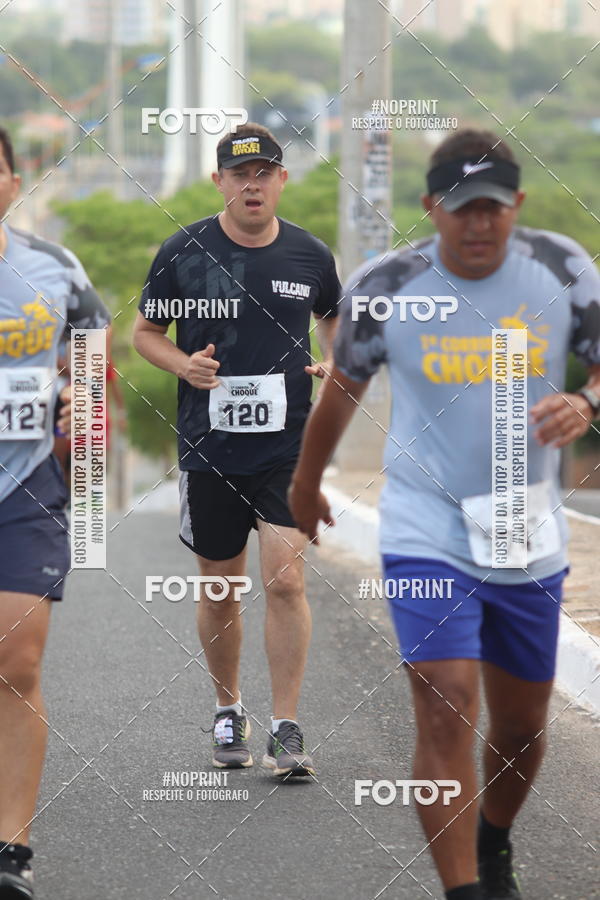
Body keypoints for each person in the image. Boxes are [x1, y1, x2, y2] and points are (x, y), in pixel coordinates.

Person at [289, 128, 600, 899]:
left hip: (525, 525)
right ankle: (463, 890)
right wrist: (306, 481)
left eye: (492, 207)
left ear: (517, 206)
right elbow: (342, 391)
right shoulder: (386, 285)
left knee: (523, 726)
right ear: (431, 207)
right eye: (460, 208)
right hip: (425, 521)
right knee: (443, 700)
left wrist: (586, 399)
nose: (477, 224)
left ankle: (492, 838)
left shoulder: (561, 268)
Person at [133, 123, 339, 777]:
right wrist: (182, 365)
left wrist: (334, 361)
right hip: (210, 448)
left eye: (265, 173)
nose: (252, 185)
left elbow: (336, 319)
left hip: (287, 447)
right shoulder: (183, 251)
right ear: (219, 181)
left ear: (282, 180)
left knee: (285, 579)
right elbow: (144, 333)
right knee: (221, 589)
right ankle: (229, 707)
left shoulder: (310, 255)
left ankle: (286, 725)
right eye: (239, 174)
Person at [0, 126, 111, 898]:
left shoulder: (53, 269)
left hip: (26, 488)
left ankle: (11, 850)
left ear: (12, 181)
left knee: (19, 662)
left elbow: (94, 366)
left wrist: (82, 410)